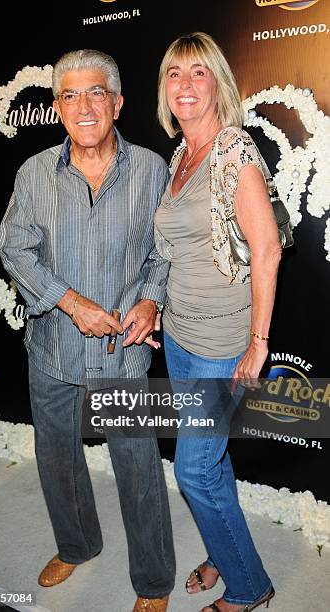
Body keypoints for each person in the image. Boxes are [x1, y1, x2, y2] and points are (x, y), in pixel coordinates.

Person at [0, 49, 175, 612]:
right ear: (56, 109)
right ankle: (77, 546)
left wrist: (150, 301)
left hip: (122, 354)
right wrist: (70, 304)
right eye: (69, 95)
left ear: (118, 103)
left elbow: (165, 252)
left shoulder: (151, 169)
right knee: (56, 458)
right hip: (53, 349)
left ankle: (153, 581)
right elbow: (14, 248)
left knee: (138, 468)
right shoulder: (32, 174)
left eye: (96, 91)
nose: (84, 105)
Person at [154, 33, 281, 612]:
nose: (185, 84)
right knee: (213, 463)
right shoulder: (182, 155)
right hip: (179, 337)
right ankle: (221, 553)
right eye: (174, 74)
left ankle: (250, 587)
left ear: (217, 85)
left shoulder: (234, 150)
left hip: (220, 343)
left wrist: (257, 345)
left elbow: (267, 250)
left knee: (193, 470)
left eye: (197, 73)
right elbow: (174, 251)